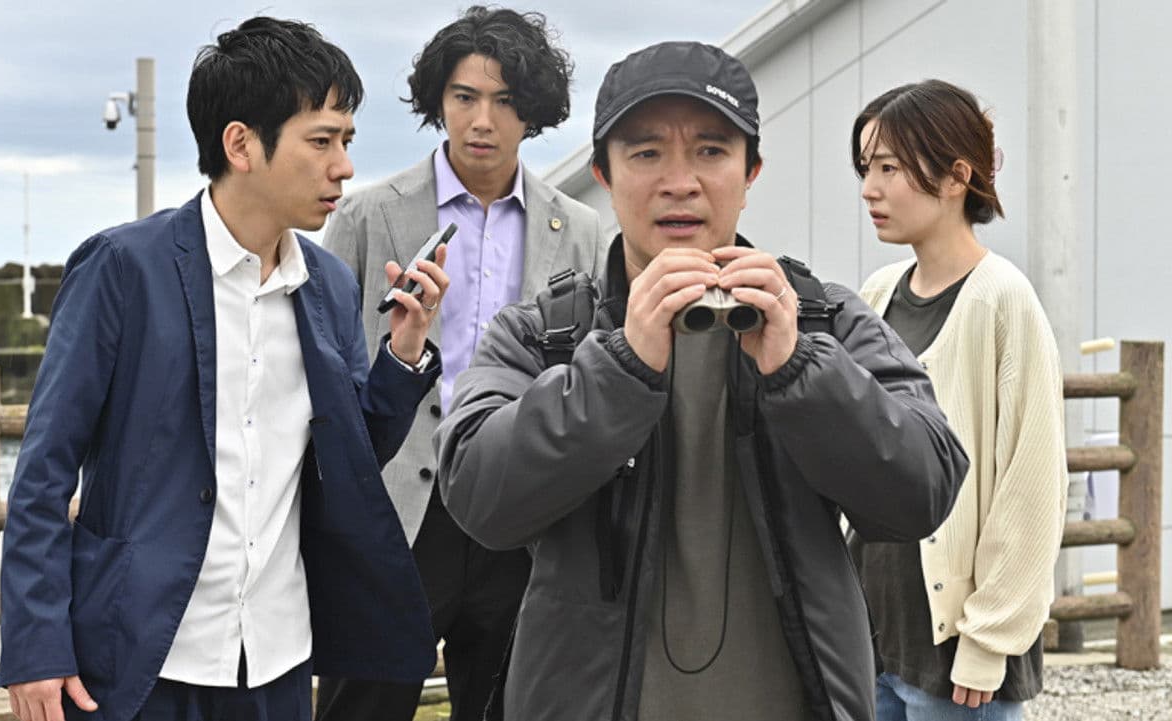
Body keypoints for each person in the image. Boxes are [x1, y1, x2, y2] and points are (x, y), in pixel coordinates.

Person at [434, 41, 969, 721]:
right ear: (604, 175)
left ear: (751, 174)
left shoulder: (821, 320)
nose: (680, 182)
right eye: (646, 152)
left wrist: (799, 367)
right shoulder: (548, 332)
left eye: (711, 151)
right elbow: (478, 496)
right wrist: (619, 367)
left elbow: (924, 489)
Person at [0, 17, 448, 721]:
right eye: (322, 141)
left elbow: (350, 459)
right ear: (240, 144)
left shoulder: (327, 284)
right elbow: (44, 470)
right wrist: (36, 647)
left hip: (276, 657)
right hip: (139, 656)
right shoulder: (123, 269)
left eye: (347, 141)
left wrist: (404, 354)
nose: (344, 167)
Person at [316, 7, 605, 721]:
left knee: (513, 704)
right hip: (396, 507)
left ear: (533, 111)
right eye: (464, 96)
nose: (482, 120)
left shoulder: (581, 230)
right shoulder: (367, 215)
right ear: (437, 101)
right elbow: (325, 365)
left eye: (505, 100)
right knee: (363, 705)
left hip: (520, 507)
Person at [852, 79, 1068, 720]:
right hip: (874, 638)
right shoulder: (878, 293)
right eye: (866, 168)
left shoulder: (1003, 299)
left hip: (956, 657)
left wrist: (989, 639)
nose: (869, 189)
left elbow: (1032, 483)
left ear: (956, 177)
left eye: (889, 168)